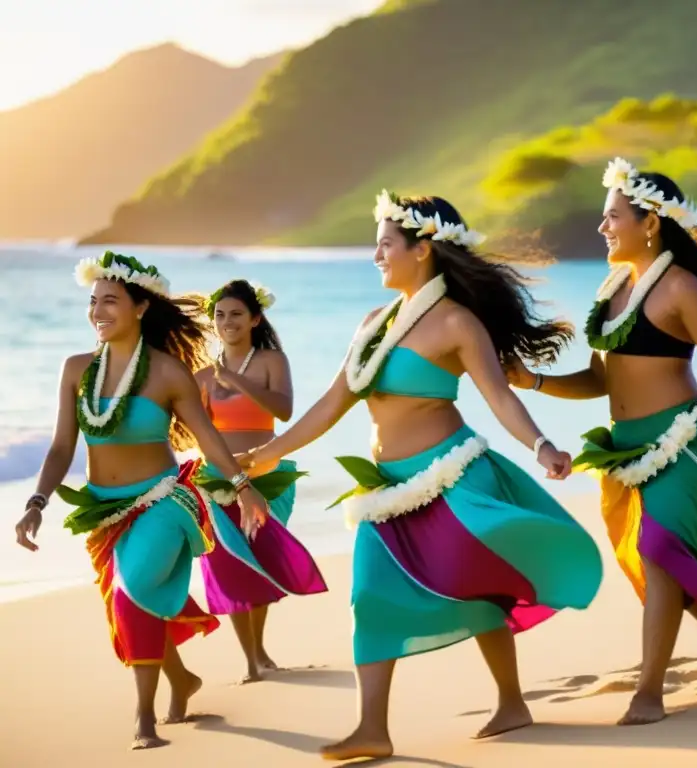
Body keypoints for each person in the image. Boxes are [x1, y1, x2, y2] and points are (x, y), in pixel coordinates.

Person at [238, 191, 603, 762]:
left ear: (423, 249)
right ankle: (372, 728)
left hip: (453, 477)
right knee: (369, 597)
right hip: (386, 488)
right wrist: (266, 453)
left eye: (386, 243)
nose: (376, 255)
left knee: (476, 579)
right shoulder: (372, 323)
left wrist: (541, 444)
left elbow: (500, 397)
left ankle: (511, 701)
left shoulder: (456, 323)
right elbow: (332, 403)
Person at [508, 158, 697, 726]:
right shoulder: (614, 288)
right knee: (664, 560)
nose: (603, 227)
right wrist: (536, 381)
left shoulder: (680, 287)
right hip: (629, 448)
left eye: (612, 217)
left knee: (660, 550)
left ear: (649, 222)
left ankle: (649, 691)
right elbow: (602, 380)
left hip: (688, 442)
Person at [13, 251, 270, 750]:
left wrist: (243, 485)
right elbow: (63, 445)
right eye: (92, 302)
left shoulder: (168, 374)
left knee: (132, 593)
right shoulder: (76, 370)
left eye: (110, 301)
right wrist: (37, 502)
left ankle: (144, 719)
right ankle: (181, 679)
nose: (97, 311)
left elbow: (208, 438)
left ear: (140, 307)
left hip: (163, 500)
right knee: (128, 601)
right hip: (103, 509)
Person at [196, 279, 328, 683]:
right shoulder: (202, 376)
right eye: (219, 315)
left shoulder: (272, 362)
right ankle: (252, 658)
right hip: (218, 478)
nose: (227, 321)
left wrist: (236, 381)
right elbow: (200, 432)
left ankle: (260, 650)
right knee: (229, 564)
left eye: (236, 314)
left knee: (258, 562)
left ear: (255, 318)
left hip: (267, 476)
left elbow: (284, 410)